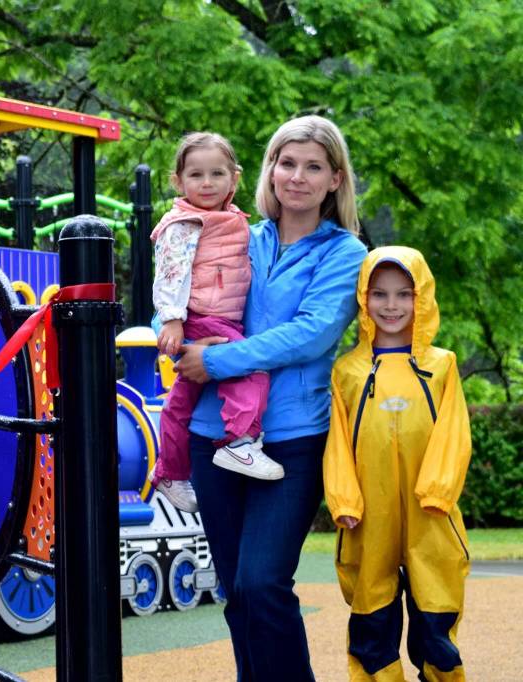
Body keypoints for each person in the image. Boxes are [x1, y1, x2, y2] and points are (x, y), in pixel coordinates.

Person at [174, 115, 367, 680]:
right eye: (287, 163)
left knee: (263, 582)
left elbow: (311, 333)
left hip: (292, 441)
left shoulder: (344, 253)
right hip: (215, 435)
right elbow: (190, 299)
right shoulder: (234, 234)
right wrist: (182, 336)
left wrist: (216, 359)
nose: (297, 177)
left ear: (335, 179)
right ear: (269, 170)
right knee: (238, 592)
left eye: (313, 167)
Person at [324, 247, 471, 681]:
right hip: (369, 514)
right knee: (372, 614)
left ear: (421, 297)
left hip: (432, 514)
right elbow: (337, 444)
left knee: (436, 611)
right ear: (363, 299)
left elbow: (454, 433)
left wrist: (439, 491)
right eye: (380, 294)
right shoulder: (348, 371)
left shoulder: (441, 365)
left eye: (404, 294)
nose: (391, 306)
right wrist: (344, 500)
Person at [149, 132, 280, 513]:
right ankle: (239, 442)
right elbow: (170, 273)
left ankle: (170, 472)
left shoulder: (233, 220)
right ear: (178, 182)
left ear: (235, 178)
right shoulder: (185, 223)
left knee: (179, 402)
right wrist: (171, 321)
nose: (206, 183)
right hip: (205, 316)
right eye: (196, 175)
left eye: (216, 174)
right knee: (249, 367)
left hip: (213, 314)